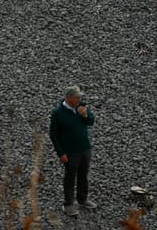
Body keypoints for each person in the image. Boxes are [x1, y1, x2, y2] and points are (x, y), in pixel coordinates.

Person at [48, 86, 97, 216]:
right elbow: (53, 134)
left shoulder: (81, 107)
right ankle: (68, 204)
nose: (79, 99)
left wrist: (85, 115)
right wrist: (60, 153)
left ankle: (82, 199)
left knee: (83, 175)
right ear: (68, 97)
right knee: (70, 178)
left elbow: (91, 121)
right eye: (77, 97)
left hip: (85, 149)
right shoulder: (58, 112)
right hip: (70, 152)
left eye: (80, 97)